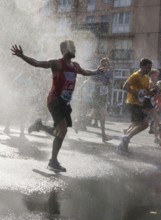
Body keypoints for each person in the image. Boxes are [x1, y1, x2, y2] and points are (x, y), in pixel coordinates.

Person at [11, 40, 106, 172]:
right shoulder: (56, 63)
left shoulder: (75, 66)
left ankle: (40, 126)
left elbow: (85, 72)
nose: (75, 50)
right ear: (65, 50)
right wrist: (23, 56)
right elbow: (38, 63)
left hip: (65, 103)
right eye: (73, 48)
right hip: (54, 100)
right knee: (62, 130)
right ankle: (53, 161)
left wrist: (97, 71)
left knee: (59, 131)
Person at [117, 58, 153, 154]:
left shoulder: (146, 78)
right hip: (132, 102)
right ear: (141, 66)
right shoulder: (135, 75)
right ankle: (126, 139)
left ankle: (123, 144)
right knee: (144, 124)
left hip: (140, 104)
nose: (149, 69)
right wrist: (135, 92)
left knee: (138, 124)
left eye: (150, 68)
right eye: (147, 67)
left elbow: (147, 93)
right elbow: (125, 86)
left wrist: (154, 91)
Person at [89, 57, 113, 142]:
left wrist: (107, 82)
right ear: (100, 64)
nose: (104, 66)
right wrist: (96, 82)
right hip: (96, 94)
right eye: (103, 64)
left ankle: (103, 135)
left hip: (104, 95)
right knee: (94, 113)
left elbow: (110, 82)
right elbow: (91, 78)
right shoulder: (97, 71)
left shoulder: (109, 72)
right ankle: (79, 122)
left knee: (102, 115)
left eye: (106, 64)